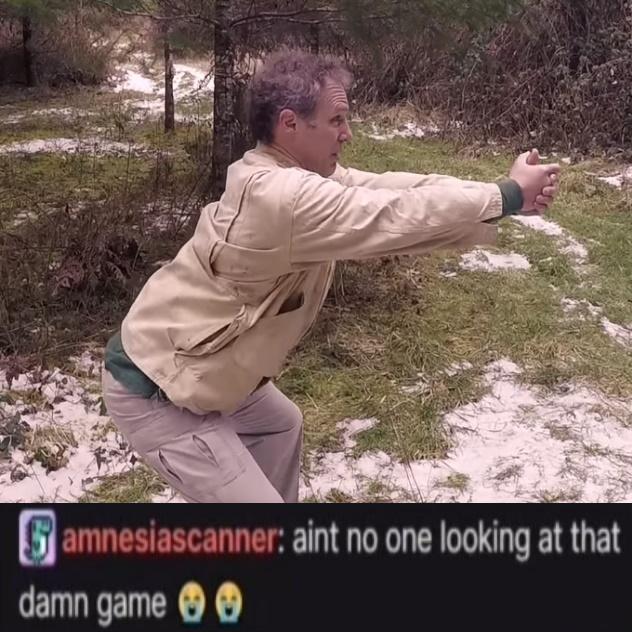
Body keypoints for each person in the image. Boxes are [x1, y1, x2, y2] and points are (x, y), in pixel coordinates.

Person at [101, 48, 560, 503]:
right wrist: (507, 195)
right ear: (290, 123)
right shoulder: (282, 196)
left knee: (280, 426)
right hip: (158, 384)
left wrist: (503, 200)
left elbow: (396, 193)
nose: (348, 133)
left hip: (202, 363)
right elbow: (392, 216)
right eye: (337, 120)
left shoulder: (295, 176)